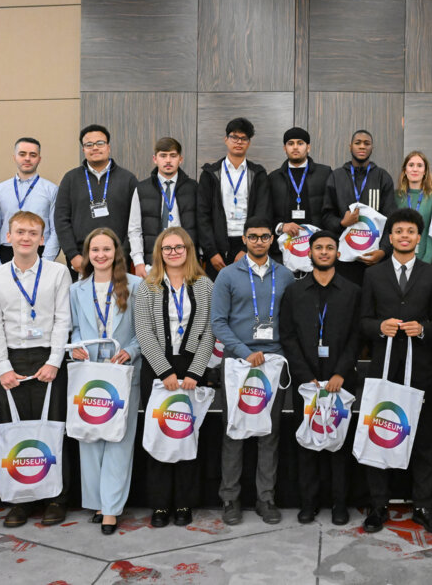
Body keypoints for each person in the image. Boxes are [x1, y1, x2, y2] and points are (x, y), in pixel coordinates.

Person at [0, 210, 72, 528]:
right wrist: (2, 368)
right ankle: (21, 500)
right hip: (11, 360)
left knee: (53, 428)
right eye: (20, 232)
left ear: (42, 239)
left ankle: (56, 498)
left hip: (48, 356)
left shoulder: (58, 273)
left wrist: (54, 361)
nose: (25, 238)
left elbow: (63, 319)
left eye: (33, 233)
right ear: (8, 237)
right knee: (14, 430)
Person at [359, 208, 432, 534]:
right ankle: (378, 506)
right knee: (378, 434)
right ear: (391, 237)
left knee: (423, 440)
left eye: (410, 231)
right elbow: (363, 322)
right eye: (399, 231)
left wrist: (422, 329)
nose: (405, 236)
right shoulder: (373, 275)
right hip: (383, 368)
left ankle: (422, 506)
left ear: (418, 237)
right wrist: (379, 327)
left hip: (421, 370)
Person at [210, 216, 292, 525]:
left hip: (273, 364)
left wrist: (276, 355)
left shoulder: (285, 276)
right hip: (239, 364)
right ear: (244, 239)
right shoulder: (228, 276)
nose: (259, 241)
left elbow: (290, 321)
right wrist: (245, 353)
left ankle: (265, 498)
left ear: (272, 240)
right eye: (253, 236)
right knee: (234, 432)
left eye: (264, 236)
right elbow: (218, 321)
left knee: (268, 434)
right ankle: (230, 498)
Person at [134, 227, 216, 528]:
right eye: (167, 248)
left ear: (188, 250)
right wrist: (164, 371)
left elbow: (209, 329)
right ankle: (159, 505)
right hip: (158, 369)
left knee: (187, 435)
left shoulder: (205, 285)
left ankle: (184, 503)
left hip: (192, 367)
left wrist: (195, 371)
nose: (173, 252)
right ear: (159, 253)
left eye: (178, 247)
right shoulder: (148, 287)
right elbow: (143, 332)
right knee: (159, 435)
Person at [279, 231, 360, 525]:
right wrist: (304, 374)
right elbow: (287, 336)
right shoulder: (294, 291)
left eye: (329, 248)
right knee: (307, 442)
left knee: (339, 444)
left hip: (341, 379)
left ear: (338, 253)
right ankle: (308, 503)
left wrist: (341, 372)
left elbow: (356, 336)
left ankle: (340, 503)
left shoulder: (352, 292)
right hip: (306, 382)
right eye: (318, 248)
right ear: (309, 253)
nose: (324, 252)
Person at [68, 228, 142, 534]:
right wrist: (76, 347)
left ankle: (112, 508)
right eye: (95, 250)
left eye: (106, 250)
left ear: (116, 253)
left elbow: (144, 331)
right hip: (89, 374)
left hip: (122, 372)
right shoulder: (77, 289)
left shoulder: (136, 286)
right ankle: (98, 502)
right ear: (88, 255)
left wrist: (130, 350)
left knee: (118, 440)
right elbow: (73, 328)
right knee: (90, 437)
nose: (101, 255)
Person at [55, 124, 138, 280]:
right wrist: (72, 254)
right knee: (82, 303)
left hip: (118, 259)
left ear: (108, 147)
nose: (95, 148)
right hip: (81, 260)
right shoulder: (70, 179)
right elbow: (61, 219)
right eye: (89, 144)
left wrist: (124, 255)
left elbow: (135, 222)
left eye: (100, 143)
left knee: (116, 303)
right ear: (83, 149)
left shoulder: (128, 179)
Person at [197, 117, 272, 279]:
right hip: (218, 245)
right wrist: (212, 252)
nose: (238, 142)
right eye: (234, 137)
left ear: (249, 143)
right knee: (218, 298)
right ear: (226, 139)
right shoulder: (210, 174)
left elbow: (263, 212)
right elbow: (202, 216)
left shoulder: (257, 174)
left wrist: (248, 250)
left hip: (248, 243)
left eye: (243, 138)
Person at [323, 129, 396, 284]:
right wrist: (342, 223)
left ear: (372, 148)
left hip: (374, 258)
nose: (362, 146)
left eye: (366, 143)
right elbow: (326, 216)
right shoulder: (337, 176)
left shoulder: (382, 177)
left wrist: (383, 251)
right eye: (358, 143)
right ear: (350, 147)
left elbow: (391, 219)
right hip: (344, 259)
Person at [128, 137, 199, 278]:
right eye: (163, 156)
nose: (168, 160)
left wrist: (198, 258)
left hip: (185, 261)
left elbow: (201, 225)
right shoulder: (142, 189)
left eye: (173, 156)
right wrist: (138, 262)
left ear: (181, 159)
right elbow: (134, 229)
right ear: (155, 159)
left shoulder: (193, 188)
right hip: (152, 262)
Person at [0, 137, 60, 267]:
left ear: (39, 159)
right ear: (14, 157)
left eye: (33, 155)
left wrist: (46, 261)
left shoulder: (52, 190)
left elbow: (56, 229)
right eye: (22, 154)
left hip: (40, 250)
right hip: (6, 251)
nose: (27, 158)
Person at [269, 127, 332, 258]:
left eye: (300, 143)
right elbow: (266, 214)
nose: (295, 147)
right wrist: (281, 226)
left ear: (308, 147)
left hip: (317, 248)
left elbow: (331, 211)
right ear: (284, 148)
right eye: (290, 143)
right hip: (283, 249)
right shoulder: (273, 178)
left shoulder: (325, 173)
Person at [394, 151, 432, 265]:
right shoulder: (396, 195)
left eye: (419, 165)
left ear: (425, 171)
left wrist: (426, 261)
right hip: (399, 259)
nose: (415, 169)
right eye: (411, 165)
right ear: (405, 170)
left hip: (425, 258)